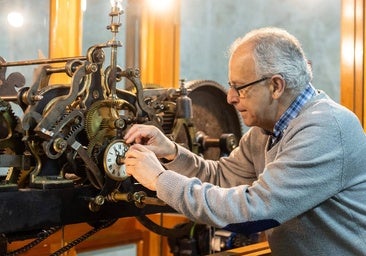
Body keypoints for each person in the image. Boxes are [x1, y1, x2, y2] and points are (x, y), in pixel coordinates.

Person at [124, 27, 366, 255]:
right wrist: (171, 153)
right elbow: (221, 177)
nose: (230, 98)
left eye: (239, 88)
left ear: (276, 86)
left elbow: (253, 214)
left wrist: (159, 179)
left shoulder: (326, 129)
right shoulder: (264, 131)